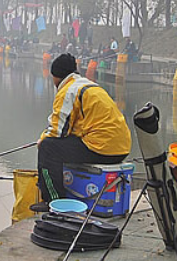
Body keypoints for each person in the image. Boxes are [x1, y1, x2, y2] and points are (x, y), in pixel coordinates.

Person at [31, 53, 131, 211]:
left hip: (101, 149)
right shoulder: (89, 86)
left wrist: (41, 139)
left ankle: (53, 201)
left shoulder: (68, 91)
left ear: (56, 76)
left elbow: (57, 131)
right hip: (121, 148)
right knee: (59, 146)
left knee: (48, 147)